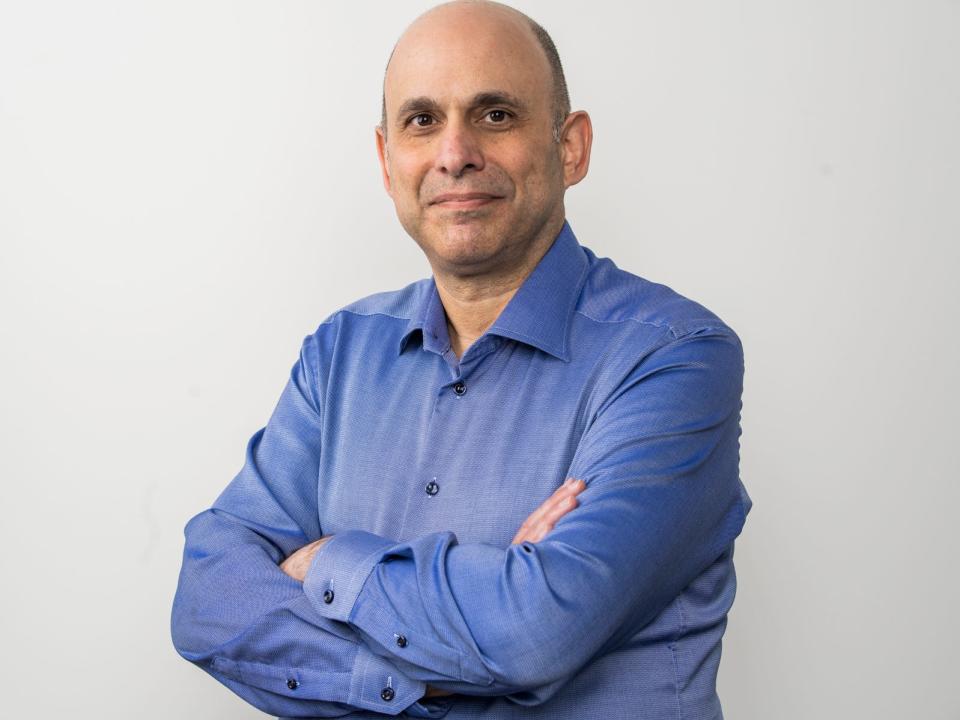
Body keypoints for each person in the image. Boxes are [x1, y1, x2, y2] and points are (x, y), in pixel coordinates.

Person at [171, 1, 751, 718]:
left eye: (496, 115)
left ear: (570, 147)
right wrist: (458, 650)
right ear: (388, 163)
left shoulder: (673, 358)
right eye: (422, 121)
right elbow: (207, 598)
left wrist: (326, 564)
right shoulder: (340, 354)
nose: (454, 153)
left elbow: (536, 630)